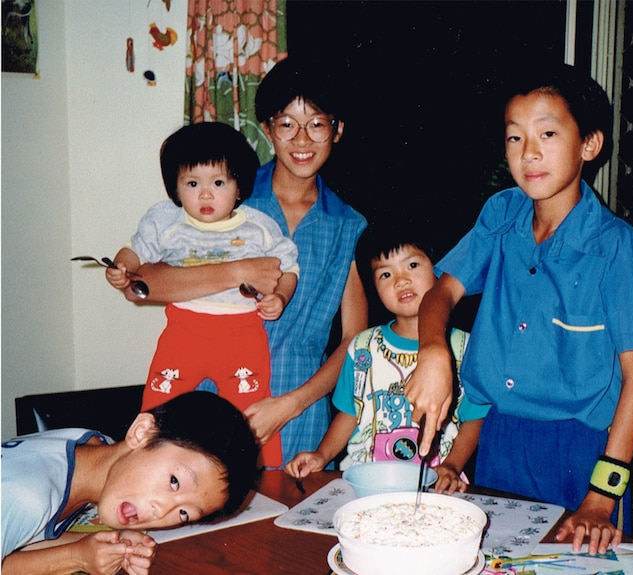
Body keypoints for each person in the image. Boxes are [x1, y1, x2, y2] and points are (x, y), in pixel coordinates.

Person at [405, 63, 633, 555]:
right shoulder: (501, 215)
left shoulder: (619, 250)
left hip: (582, 452)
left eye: (547, 133)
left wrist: (601, 498)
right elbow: (440, 292)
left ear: (589, 144)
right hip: (499, 439)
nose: (530, 153)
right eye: (515, 138)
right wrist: (433, 351)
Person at [116, 57, 368, 466]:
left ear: (337, 130)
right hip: (214, 398)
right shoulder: (227, 195)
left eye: (317, 123)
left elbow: (354, 340)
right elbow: (141, 285)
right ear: (268, 130)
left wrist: (289, 405)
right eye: (287, 123)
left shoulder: (349, 226)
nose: (302, 139)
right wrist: (236, 271)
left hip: (300, 413)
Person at [107, 122, 298, 468]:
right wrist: (120, 267)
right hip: (184, 330)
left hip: (241, 332)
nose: (206, 194)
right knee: (159, 402)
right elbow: (135, 251)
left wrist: (281, 297)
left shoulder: (258, 226)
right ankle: (140, 464)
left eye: (219, 183)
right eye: (193, 183)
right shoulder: (167, 221)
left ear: (239, 187)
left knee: (251, 409)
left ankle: (264, 475)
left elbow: (289, 268)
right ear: (176, 189)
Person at [284, 224, 487, 493]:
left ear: (441, 270)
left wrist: (451, 465)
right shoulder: (363, 348)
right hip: (364, 483)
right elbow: (349, 413)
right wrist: (322, 455)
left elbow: (474, 419)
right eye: (386, 274)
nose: (400, 280)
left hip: (435, 485)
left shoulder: (464, 346)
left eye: (412, 265)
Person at [1, 391, 260, 575]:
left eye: (184, 513)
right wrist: (74, 558)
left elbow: (23, 533)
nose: (162, 511)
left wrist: (105, 542)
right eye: (174, 481)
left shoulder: (91, 446)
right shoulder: (26, 496)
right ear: (142, 432)